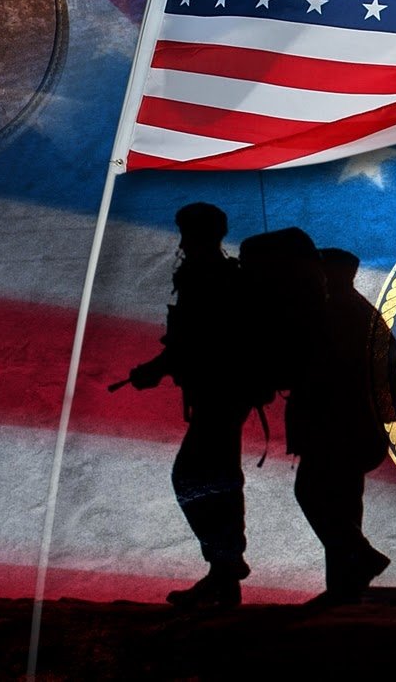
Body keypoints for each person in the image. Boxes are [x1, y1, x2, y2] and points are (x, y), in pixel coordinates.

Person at [122, 203, 251, 609]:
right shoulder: (224, 273)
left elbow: (194, 341)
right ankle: (224, 576)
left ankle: (225, 566)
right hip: (227, 393)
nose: (182, 240)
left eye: (187, 231)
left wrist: (155, 369)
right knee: (218, 478)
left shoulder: (204, 275)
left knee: (194, 477)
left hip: (219, 394)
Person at [287, 248, 396, 606]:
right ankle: (344, 587)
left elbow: (311, 367)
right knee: (345, 503)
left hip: (334, 425)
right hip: (359, 425)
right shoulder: (365, 313)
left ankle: (361, 558)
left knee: (312, 492)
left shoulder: (331, 313)